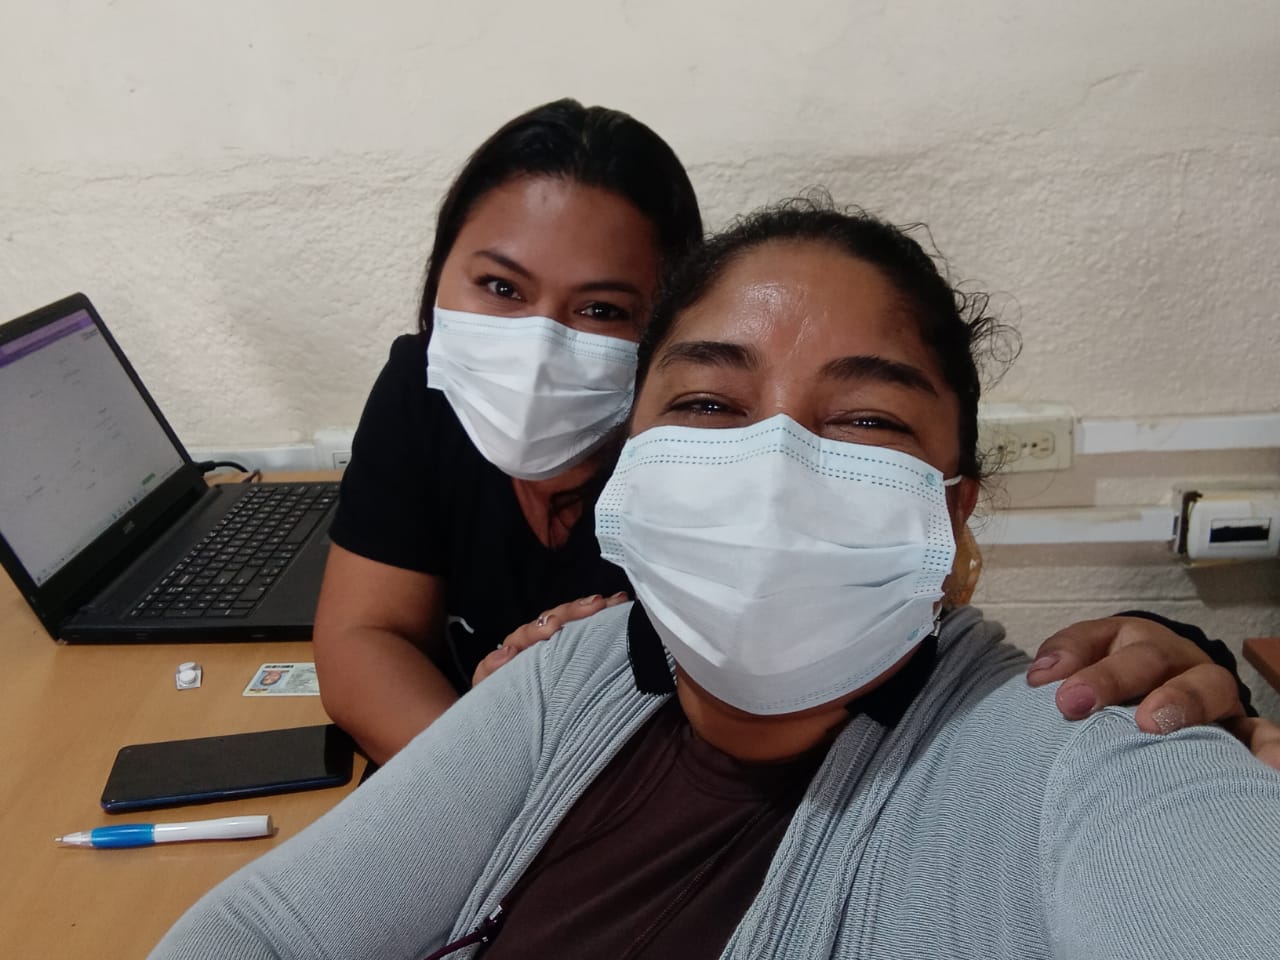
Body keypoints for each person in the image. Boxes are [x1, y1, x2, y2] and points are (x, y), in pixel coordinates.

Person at [151, 201, 1280, 960]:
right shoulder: (574, 673)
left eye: (866, 419)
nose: (774, 467)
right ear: (629, 463)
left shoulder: (1092, 763)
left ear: (949, 506)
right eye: (705, 404)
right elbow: (260, 934)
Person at [313, 99, 1271, 766]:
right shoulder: (427, 396)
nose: (537, 348)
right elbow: (362, 638)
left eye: (604, 309)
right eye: (499, 287)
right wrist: (479, 779)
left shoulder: (755, 523)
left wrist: (1182, 662)